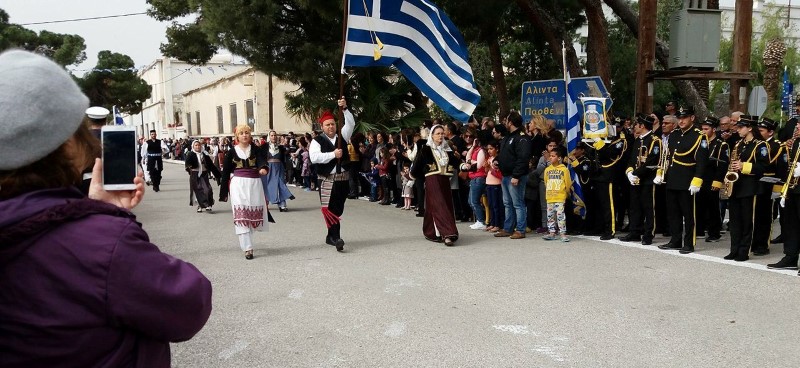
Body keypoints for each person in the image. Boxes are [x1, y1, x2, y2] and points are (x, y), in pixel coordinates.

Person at [0, 49, 211, 367]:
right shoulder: (102, 244)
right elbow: (188, 304)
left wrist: (91, 212)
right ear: (68, 144)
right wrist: (108, 223)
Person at [655, 106, 708, 254]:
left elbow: (702, 161)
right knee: (673, 213)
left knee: (689, 214)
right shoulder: (674, 134)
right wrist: (661, 173)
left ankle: (689, 243)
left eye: (684, 118)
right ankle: (675, 239)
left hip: (687, 180)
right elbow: (667, 156)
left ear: (692, 118)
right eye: (679, 118)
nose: (681, 121)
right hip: (672, 179)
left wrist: (697, 180)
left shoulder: (699, 136)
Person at [219, 124, 273, 260]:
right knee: (242, 215)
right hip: (238, 185)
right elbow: (225, 172)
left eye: (247, 133)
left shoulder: (256, 149)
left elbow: (262, 161)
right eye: (241, 133)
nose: (244, 135)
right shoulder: (231, 152)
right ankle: (248, 248)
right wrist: (224, 192)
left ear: (250, 135)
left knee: (252, 214)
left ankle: (248, 241)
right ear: (237, 136)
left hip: (254, 184)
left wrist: (263, 168)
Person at [310, 97, 354, 252]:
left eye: (333, 124)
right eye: (327, 125)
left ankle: (331, 236)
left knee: (339, 208)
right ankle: (336, 238)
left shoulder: (342, 136)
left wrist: (345, 109)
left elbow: (351, 123)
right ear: (322, 127)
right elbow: (314, 157)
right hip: (326, 179)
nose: (330, 127)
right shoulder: (317, 141)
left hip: (342, 179)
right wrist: (332, 154)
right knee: (330, 208)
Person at [723, 116, 768, 261]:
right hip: (736, 186)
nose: (738, 129)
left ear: (750, 128)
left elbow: (763, 167)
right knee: (735, 221)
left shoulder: (760, 145)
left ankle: (744, 251)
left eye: (741, 127)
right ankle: (734, 249)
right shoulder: (738, 144)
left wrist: (744, 166)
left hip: (750, 187)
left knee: (747, 220)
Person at [410, 124, 459, 246]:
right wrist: (413, 177)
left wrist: (465, 166)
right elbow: (417, 165)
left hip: (444, 181)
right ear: (432, 135)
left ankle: (432, 232)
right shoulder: (426, 149)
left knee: (442, 205)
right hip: (432, 180)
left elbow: (456, 163)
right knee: (439, 204)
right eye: (438, 133)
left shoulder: (447, 150)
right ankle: (447, 234)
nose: (441, 136)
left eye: (442, 133)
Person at [620, 114, 662, 245]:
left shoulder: (655, 140)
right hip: (635, 180)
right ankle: (634, 232)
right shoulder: (638, 140)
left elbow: (652, 162)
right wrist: (629, 173)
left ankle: (649, 233)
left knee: (648, 207)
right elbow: (632, 159)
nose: (634, 127)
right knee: (634, 207)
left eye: (636, 124)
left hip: (648, 180)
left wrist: (636, 173)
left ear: (642, 126)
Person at [494, 111, 532, 239]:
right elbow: (504, 154)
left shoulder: (522, 137)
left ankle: (520, 229)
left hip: (516, 176)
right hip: (505, 175)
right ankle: (508, 228)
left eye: (506, 120)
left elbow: (523, 158)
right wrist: (497, 160)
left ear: (511, 122)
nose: (505, 122)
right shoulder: (507, 137)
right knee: (507, 203)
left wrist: (516, 175)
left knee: (518, 203)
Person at [768, 134, 800, 271]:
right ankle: (791, 257)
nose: (798, 126)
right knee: (791, 225)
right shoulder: (797, 142)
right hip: (794, 188)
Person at [751, 117, 783, 255]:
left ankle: (762, 245)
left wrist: (778, 188)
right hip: (754, 182)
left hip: (768, 183)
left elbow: (781, 168)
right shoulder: (756, 143)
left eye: (762, 130)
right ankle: (753, 242)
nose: (758, 132)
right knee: (754, 214)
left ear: (770, 132)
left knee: (765, 215)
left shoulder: (778, 146)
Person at [695, 116, 728, 243]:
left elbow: (723, 164)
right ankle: (700, 229)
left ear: (714, 129)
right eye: (702, 128)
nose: (703, 131)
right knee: (699, 204)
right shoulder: (700, 142)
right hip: (700, 178)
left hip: (712, 178)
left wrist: (718, 181)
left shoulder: (721, 144)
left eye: (706, 129)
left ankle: (714, 232)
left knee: (713, 206)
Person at [542, 146, 572, 242]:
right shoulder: (547, 170)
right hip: (550, 196)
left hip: (560, 196)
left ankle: (563, 233)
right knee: (550, 216)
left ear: (559, 158)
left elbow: (567, 183)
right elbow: (546, 182)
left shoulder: (564, 170)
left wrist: (566, 193)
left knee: (560, 215)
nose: (550, 158)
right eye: (550, 156)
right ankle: (552, 232)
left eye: (553, 156)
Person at [262, 130, 295, 212]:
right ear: (269, 137)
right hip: (268, 168)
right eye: (272, 135)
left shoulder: (280, 147)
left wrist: (290, 154)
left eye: (275, 135)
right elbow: (260, 157)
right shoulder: (264, 147)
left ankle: (282, 205)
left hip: (278, 168)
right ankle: (264, 203)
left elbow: (285, 156)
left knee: (280, 184)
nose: (273, 137)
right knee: (268, 185)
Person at [185, 140, 222, 213]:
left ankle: (208, 204)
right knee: (198, 190)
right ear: (193, 146)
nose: (197, 147)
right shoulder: (190, 154)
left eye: (198, 145)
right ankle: (200, 205)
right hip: (195, 174)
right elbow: (187, 165)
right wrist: (190, 169)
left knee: (207, 189)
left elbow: (211, 166)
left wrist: (218, 175)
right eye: (196, 145)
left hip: (204, 174)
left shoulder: (204, 155)